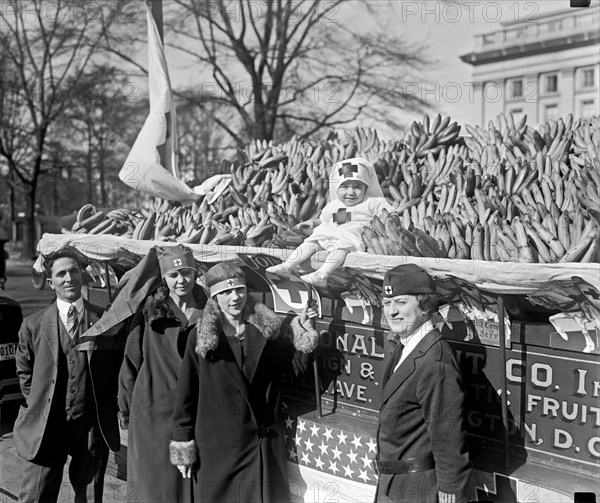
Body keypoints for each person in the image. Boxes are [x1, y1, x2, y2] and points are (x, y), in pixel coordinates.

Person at [169, 263, 319, 503]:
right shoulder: (200, 339)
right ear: (215, 297)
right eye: (225, 293)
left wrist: (302, 333)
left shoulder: (268, 332)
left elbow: (293, 370)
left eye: (239, 290)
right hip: (219, 449)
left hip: (261, 448)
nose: (234, 297)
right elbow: (186, 393)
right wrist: (182, 445)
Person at [14, 248, 121, 503]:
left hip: (90, 426)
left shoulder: (104, 320)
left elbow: (116, 368)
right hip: (46, 425)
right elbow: (24, 371)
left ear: (83, 276)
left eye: (74, 271)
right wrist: (40, 403)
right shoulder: (34, 324)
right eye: (61, 274)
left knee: (90, 495)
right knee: (35, 495)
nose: (69, 278)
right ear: (51, 282)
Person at [375, 264, 472, 503]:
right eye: (387, 304)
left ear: (425, 305)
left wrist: (451, 493)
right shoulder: (404, 347)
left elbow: (448, 438)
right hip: (394, 484)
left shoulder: (435, 361)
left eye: (400, 302)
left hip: (419, 490)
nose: (392, 312)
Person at [118, 244, 207, 503]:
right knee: (155, 487)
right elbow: (131, 361)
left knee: (192, 485)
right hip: (152, 415)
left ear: (196, 272)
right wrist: (125, 409)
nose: (181, 281)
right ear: (165, 278)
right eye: (174, 275)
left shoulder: (211, 311)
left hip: (196, 413)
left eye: (187, 273)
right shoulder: (149, 312)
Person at [266, 157, 394, 287]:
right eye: (344, 187)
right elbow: (324, 220)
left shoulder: (372, 202)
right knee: (310, 242)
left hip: (351, 236)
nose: (351, 192)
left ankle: (322, 274)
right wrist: (313, 223)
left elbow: (389, 215)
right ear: (336, 188)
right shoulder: (333, 205)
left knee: (340, 248)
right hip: (329, 232)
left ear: (366, 188)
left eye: (357, 187)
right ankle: (287, 265)